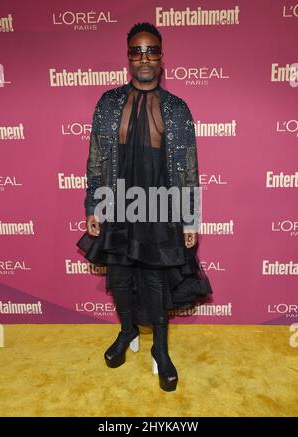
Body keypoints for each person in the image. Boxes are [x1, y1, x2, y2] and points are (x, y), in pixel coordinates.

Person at [77, 22, 213, 392]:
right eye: (137, 51)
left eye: (151, 50)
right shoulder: (108, 104)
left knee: (155, 282)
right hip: (118, 206)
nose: (144, 58)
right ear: (128, 57)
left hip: (160, 208)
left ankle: (160, 349)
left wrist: (190, 219)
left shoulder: (177, 109)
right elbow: (96, 158)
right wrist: (93, 204)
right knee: (119, 279)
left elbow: (188, 166)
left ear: (162, 56)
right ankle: (126, 333)